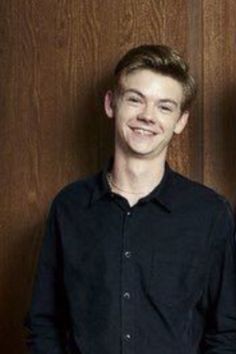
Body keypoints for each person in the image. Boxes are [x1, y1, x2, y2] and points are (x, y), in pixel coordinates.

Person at [25, 45, 236, 354]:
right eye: (135, 99)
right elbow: (44, 323)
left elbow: (228, 332)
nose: (147, 116)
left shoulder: (210, 214)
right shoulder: (69, 207)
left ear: (181, 121)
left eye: (165, 107)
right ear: (112, 104)